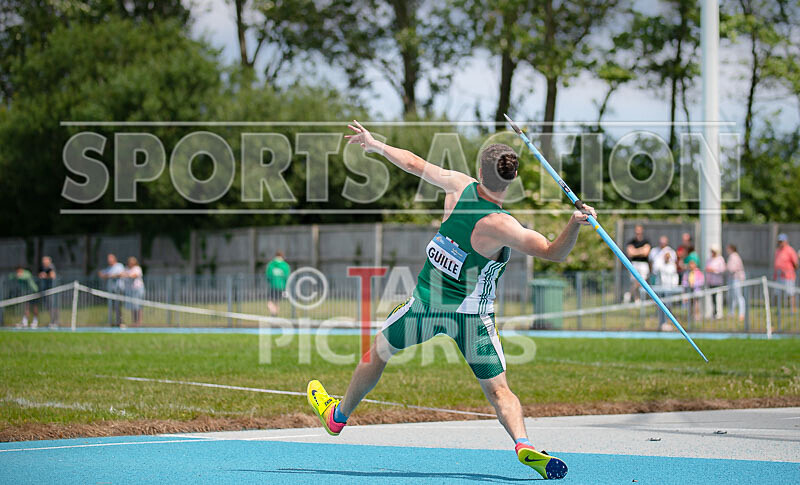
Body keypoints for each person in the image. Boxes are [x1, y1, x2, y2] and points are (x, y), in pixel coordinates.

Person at [306, 121, 596, 480]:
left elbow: (412, 163)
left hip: (426, 306)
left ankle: (338, 417)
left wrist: (375, 144)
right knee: (499, 390)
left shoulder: (459, 186)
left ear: (479, 172)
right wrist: (575, 221)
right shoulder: (504, 225)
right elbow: (554, 252)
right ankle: (523, 444)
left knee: (378, 352)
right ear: (510, 181)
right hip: (473, 318)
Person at [624, 225, 651, 303]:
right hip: (634, 263)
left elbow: (646, 253)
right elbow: (630, 253)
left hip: (643, 264)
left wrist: (635, 251)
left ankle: (629, 294)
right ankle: (637, 299)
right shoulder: (631, 241)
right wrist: (641, 250)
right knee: (634, 281)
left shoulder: (646, 241)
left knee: (641, 280)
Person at [98, 253, 125, 327]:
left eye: (110, 259)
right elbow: (101, 274)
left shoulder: (119, 266)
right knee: (111, 306)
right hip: (111, 290)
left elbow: (121, 274)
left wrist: (112, 275)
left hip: (118, 289)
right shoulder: (108, 268)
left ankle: (120, 322)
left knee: (118, 306)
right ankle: (111, 321)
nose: (109, 260)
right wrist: (108, 275)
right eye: (108, 259)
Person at [773, 233, 798, 313]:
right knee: (777, 293)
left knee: (790, 293)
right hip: (778, 276)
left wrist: (789, 270)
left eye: (782, 241)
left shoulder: (790, 250)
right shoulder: (777, 251)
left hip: (788, 276)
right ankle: (778, 310)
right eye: (779, 241)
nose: (780, 243)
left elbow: (796, 264)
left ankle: (792, 310)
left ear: (786, 241)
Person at [265, 251, 290, 316]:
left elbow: (268, 276)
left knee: (270, 302)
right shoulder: (285, 265)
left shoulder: (271, 264)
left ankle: (274, 314)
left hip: (273, 286)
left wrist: (271, 281)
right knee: (276, 302)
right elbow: (287, 277)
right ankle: (275, 315)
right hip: (282, 286)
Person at [121, 257, 145, 326]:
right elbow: (121, 274)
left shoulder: (137, 268)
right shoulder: (127, 268)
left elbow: (134, 275)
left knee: (138, 306)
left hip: (137, 289)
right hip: (130, 290)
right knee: (133, 307)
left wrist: (127, 275)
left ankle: (139, 322)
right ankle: (134, 322)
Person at [705, 245, 726, 319]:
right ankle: (713, 312)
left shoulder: (720, 259)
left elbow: (722, 269)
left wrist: (714, 270)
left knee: (717, 297)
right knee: (712, 297)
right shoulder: (709, 259)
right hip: (710, 281)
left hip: (717, 281)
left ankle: (718, 312)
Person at [726, 244, 746, 322]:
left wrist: (726, 269)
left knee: (739, 297)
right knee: (732, 297)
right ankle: (731, 313)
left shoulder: (734, 256)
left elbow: (732, 268)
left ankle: (741, 314)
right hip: (732, 279)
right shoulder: (733, 256)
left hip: (736, 279)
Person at [681, 253, 704, 321]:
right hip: (689, 291)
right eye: (690, 264)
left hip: (696, 291)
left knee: (696, 305)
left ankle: (697, 317)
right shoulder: (687, 273)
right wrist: (686, 285)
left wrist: (694, 284)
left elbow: (701, 281)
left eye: (692, 264)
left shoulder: (698, 272)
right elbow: (684, 281)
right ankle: (690, 318)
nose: (691, 265)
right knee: (690, 306)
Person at [37, 256, 59, 327]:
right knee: (48, 306)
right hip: (46, 290)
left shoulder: (51, 267)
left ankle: (55, 321)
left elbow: (53, 276)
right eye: (43, 261)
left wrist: (45, 276)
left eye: (45, 261)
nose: (44, 262)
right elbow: (39, 275)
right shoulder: (42, 267)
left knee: (53, 306)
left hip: (52, 290)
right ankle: (52, 320)